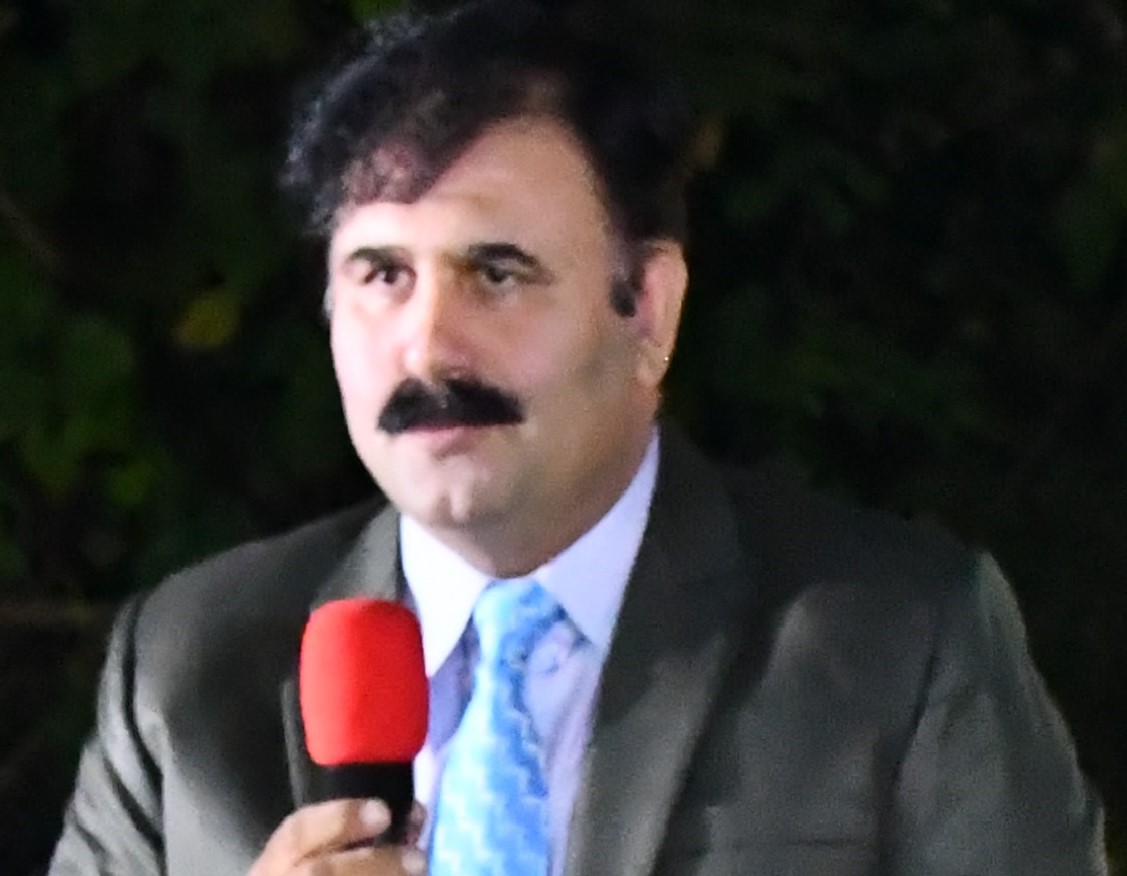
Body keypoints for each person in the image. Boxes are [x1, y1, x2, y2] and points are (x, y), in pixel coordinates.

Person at [48, 1, 1107, 874]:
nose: (427, 347)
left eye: (496, 273)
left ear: (647, 312)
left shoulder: (895, 641)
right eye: (382, 275)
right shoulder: (190, 670)